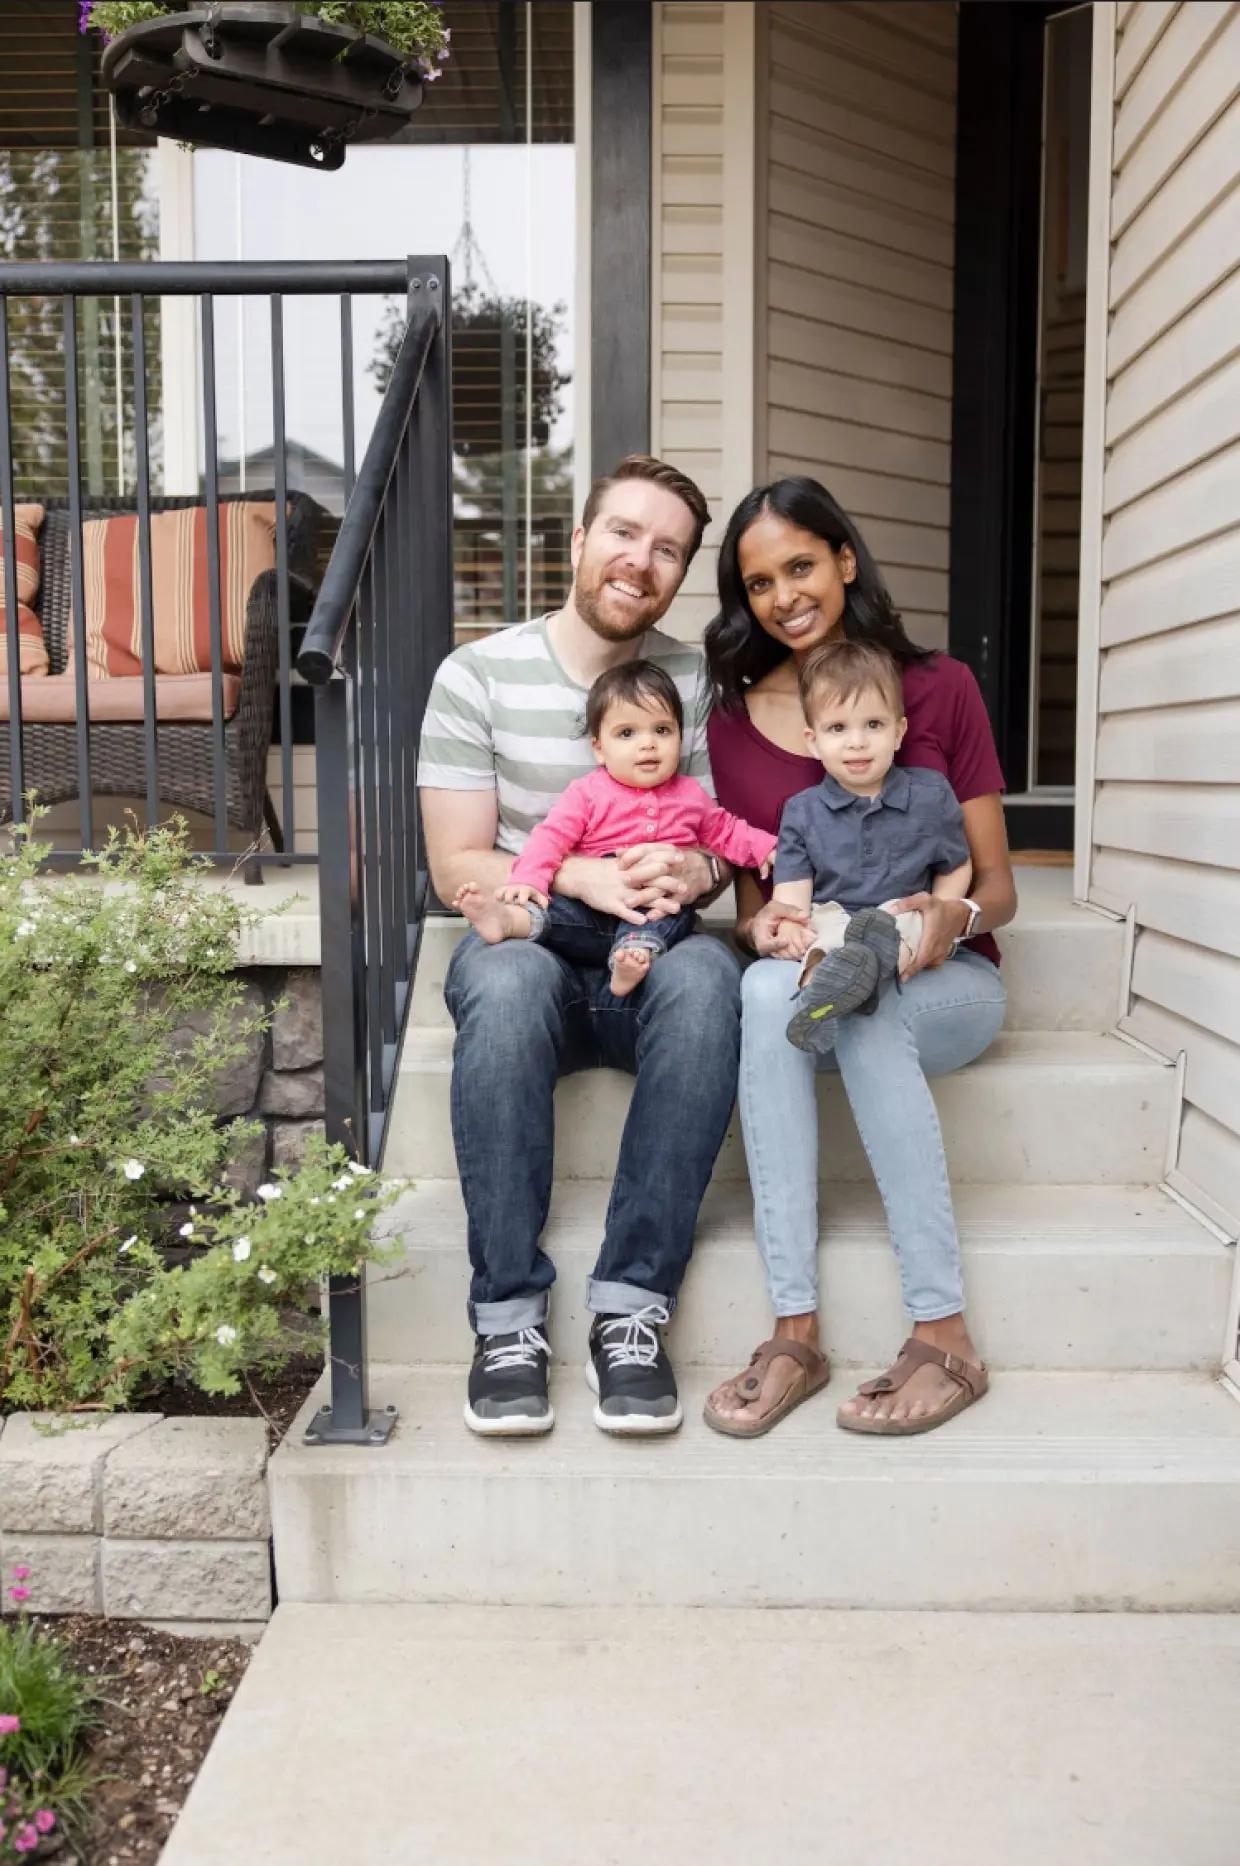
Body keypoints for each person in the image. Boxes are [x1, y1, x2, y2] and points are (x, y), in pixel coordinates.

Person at [418, 454, 742, 1440]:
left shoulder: (691, 678)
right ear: (578, 540)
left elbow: (720, 840)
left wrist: (695, 876)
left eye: (668, 550)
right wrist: (570, 875)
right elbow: (457, 865)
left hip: (649, 955)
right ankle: (508, 1321)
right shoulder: (475, 674)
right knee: (508, 977)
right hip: (537, 953)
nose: (640, 561)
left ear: (681, 572)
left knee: (708, 978)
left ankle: (632, 1312)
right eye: (624, 533)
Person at [701, 476, 1016, 1440]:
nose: (785, 595)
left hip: (944, 980)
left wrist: (944, 922)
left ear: (844, 560)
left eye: (801, 565)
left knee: (869, 998)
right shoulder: (734, 720)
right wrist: (770, 932)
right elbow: (763, 910)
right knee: (763, 988)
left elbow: (998, 889)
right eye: (759, 583)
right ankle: (794, 1326)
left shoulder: (939, 690)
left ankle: (945, 1330)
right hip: (816, 976)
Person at [453, 659, 775, 1000]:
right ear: (599, 748)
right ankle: (506, 921)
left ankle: (632, 957)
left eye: (662, 730)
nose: (648, 744)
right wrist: (528, 878)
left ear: (680, 737)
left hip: (652, 904)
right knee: (552, 911)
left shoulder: (690, 795)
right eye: (627, 733)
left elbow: (727, 830)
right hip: (588, 908)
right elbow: (550, 838)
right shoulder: (587, 792)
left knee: (671, 913)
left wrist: (766, 847)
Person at [770, 638, 971, 1056]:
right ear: (813, 740)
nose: (856, 742)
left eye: (873, 725)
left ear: (899, 731)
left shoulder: (930, 796)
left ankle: (849, 981)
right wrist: (790, 924)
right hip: (836, 918)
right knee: (821, 938)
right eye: (837, 728)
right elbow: (793, 892)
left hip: (902, 916)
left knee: (902, 926)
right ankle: (826, 994)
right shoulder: (802, 812)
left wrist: (943, 909)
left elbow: (956, 864)